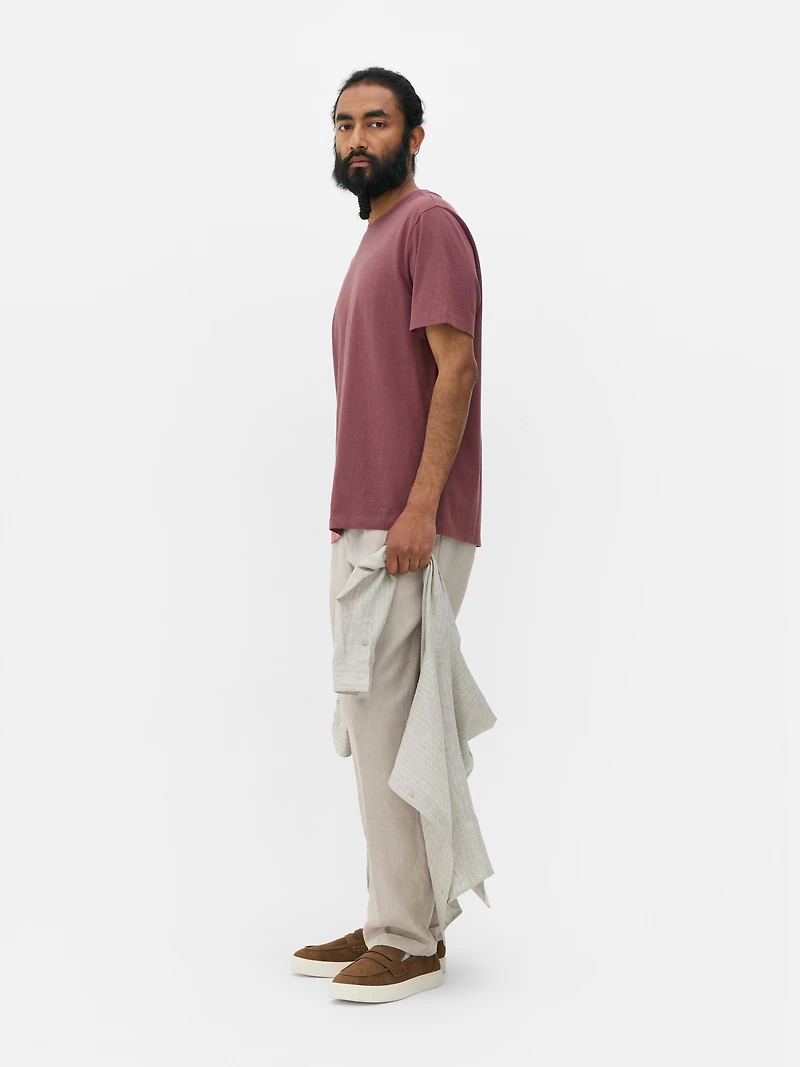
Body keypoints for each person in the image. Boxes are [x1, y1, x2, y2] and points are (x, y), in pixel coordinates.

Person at [292, 66, 485, 1004]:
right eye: (344, 124)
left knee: (392, 724)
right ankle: (392, 917)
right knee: (375, 730)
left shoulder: (428, 225)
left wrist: (417, 507)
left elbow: (457, 368)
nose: (356, 138)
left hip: (407, 519)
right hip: (367, 515)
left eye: (376, 122)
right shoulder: (375, 237)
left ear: (414, 135)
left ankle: (408, 939)